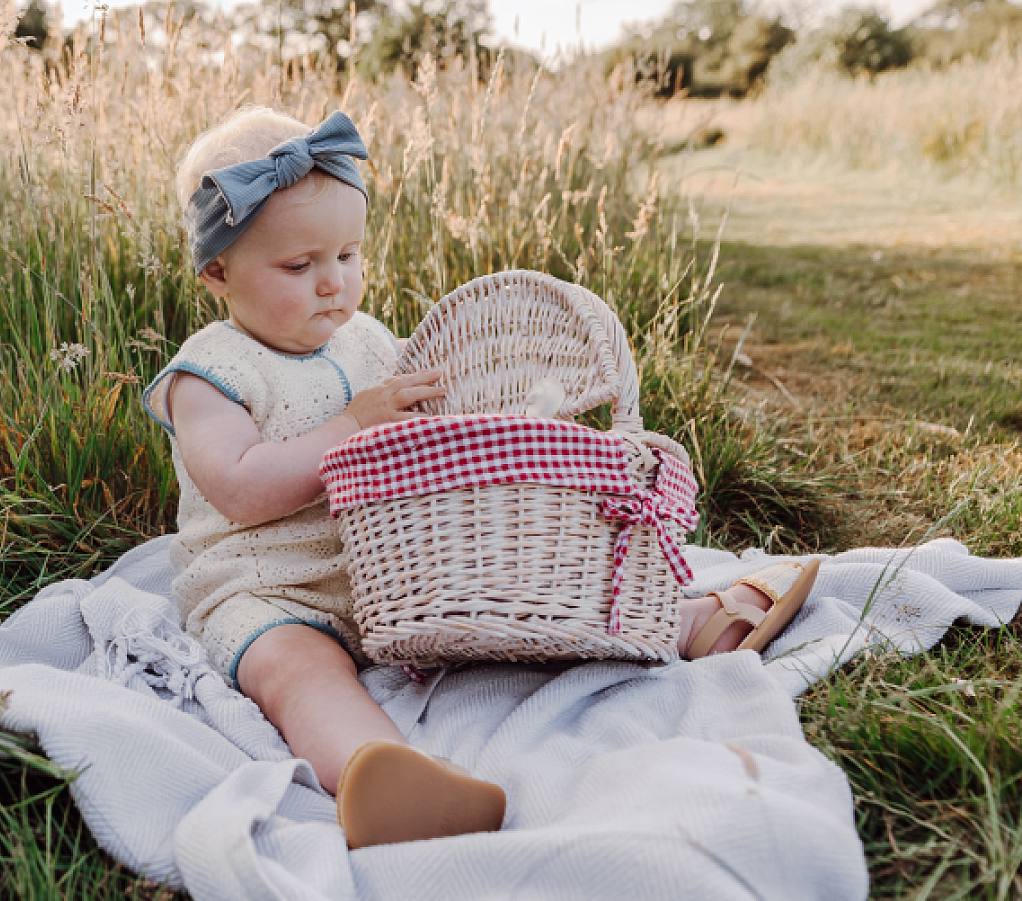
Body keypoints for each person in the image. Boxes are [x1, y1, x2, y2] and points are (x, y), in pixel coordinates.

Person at [142, 108, 819, 847]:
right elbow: (239, 486)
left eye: (347, 254)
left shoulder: (369, 343)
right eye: (299, 267)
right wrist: (351, 428)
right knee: (295, 670)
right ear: (217, 271)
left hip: (394, 576)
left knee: (511, 593)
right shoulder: (208, 372)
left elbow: (444, 428)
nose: (334, 284)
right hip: (265, 587)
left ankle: (682, 618)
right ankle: (382, 768)